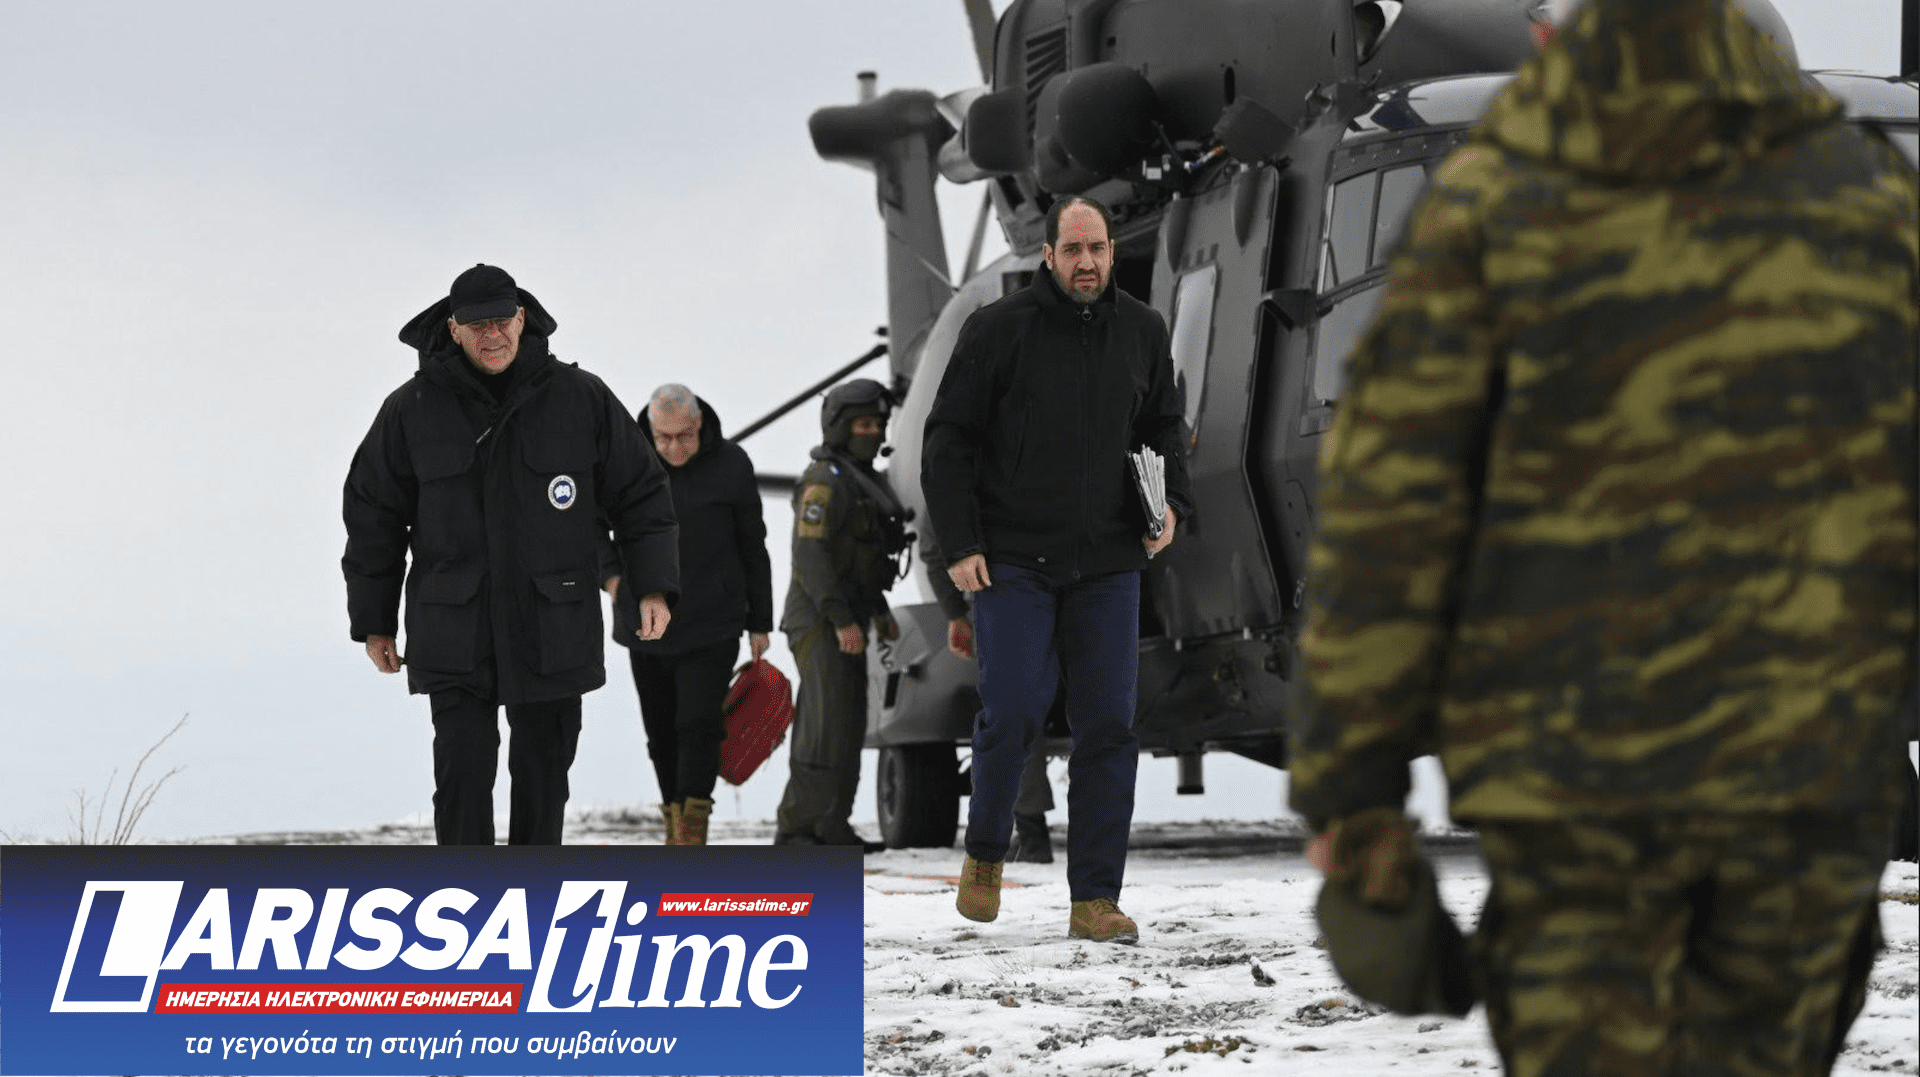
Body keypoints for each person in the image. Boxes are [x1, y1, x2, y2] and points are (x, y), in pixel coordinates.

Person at [1288, 0, 1919, 1072]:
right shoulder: (1870, 195)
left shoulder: (1495, 200)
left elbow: (1392, 520)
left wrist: (1354, 797)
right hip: (1810, 780)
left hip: (1576, 785)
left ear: (1555, 38)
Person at [922, 195, 1192, 943]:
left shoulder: (1142, 329)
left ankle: (1095, 898)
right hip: (1013, 559)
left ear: (1110, 250)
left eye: (1098, 248)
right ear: (1047, 254)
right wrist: (962, 544)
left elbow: (1163, 425)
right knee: (1013, 707)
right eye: (1071, 250)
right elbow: (948, 441)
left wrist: (1171, 504)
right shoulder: (999, 329)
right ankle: (984, 855)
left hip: (1109, 560)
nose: (1086, 263)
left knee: (1109, 723)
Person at [343, 264, 679, 846]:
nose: (491, 335)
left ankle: (535, 904)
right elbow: (373, 514)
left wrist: (651, 586)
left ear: (522, 318)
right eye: (476, 326)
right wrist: (374, 621)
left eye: (501, 320)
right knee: (462, 777)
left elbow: (641, 493)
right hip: (454, 627)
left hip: (552, 624)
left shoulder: (581, 398)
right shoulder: (411, 410)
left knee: (545, 780)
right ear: (452, 329)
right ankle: (466, 909)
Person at [606, 384, 773, 847]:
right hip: (645, 621)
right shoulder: (624, 463)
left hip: (713, 621)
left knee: (697, 724)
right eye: (665, 438)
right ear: (650, 431)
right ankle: (674, 824)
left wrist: (760, 622)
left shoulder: (732, 465)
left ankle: (692, 829)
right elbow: (593, 530)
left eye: (685, 437)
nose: (675, 447)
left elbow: (753, 547)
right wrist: (613, 582)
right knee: (661, 731)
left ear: (701, 426)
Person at [772, 378, 910, 849]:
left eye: (878, 424)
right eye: (862, 424)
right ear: (840, 427)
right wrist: (841, 621)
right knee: (823, 723)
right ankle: (798, 828)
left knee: (849, 725)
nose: (872, 432)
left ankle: (832, 825)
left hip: (848, 616)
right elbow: (811, 559)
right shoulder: (823, 482)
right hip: (819, 620)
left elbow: (860, 560)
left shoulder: (860, 480)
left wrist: (877, 611)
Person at [922, 537, 1057, 863]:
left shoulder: (959, 484)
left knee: (1016, 709)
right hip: (1066, 592)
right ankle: (1035, 831)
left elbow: (934, 547)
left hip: (1008, 598)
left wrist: (955, 614)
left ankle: (1031, 833)